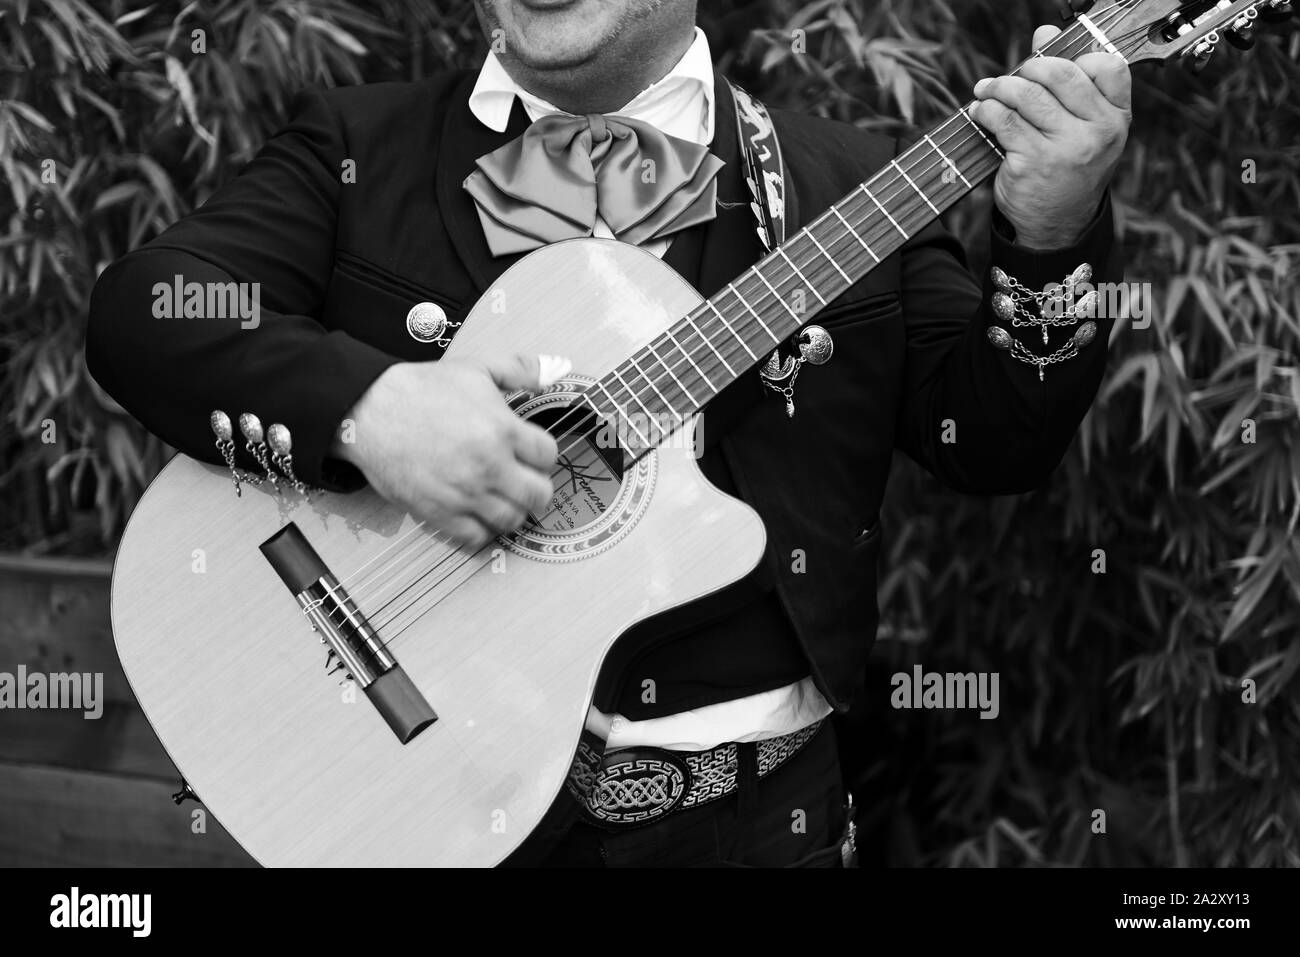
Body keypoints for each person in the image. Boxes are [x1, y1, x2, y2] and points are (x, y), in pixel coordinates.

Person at [85, 0, 1132, 866]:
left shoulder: (853, 184)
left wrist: (1052, 236)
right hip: (429, 804)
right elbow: (148, 308)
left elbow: (995, 441)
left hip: (760, 828)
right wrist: (367, 409)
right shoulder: (359, 146)